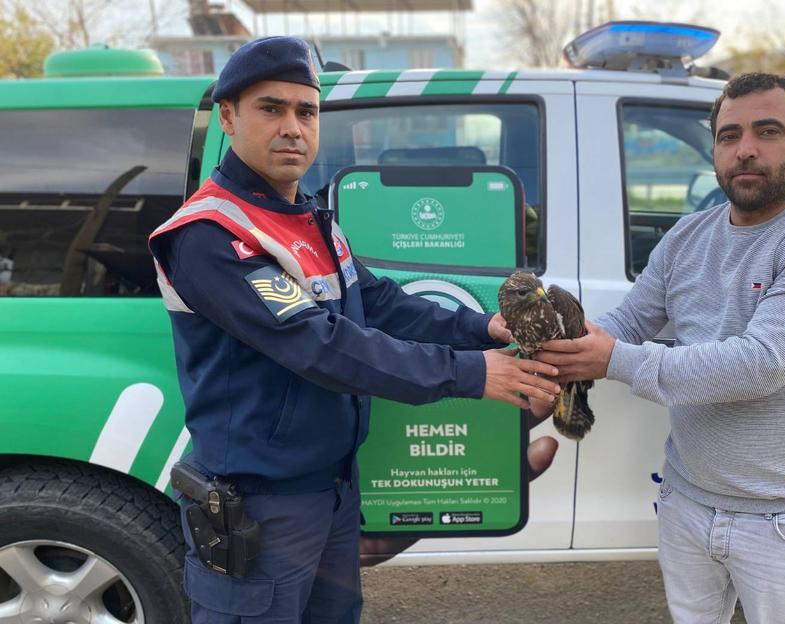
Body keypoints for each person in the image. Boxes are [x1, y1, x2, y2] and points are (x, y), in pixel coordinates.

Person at [148, 36, 560, 623]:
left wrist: (484, 328)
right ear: (229, 117)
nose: (293, 127)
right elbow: (318, 344)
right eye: (272, 108)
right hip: (260, 505)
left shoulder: (307, 215)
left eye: (306, 111)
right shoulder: (211, 233)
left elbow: (379, 303)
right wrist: (471, 374)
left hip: (331, 492)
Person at [534, 73, 785, 623]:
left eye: (768, 131)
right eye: (728, 135)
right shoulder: (689, 235)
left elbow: (758, 365)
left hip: (783, 520)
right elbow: (630, 320)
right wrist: (561, 353)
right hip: (687, 499)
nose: (745, 150)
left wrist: (613, 360)